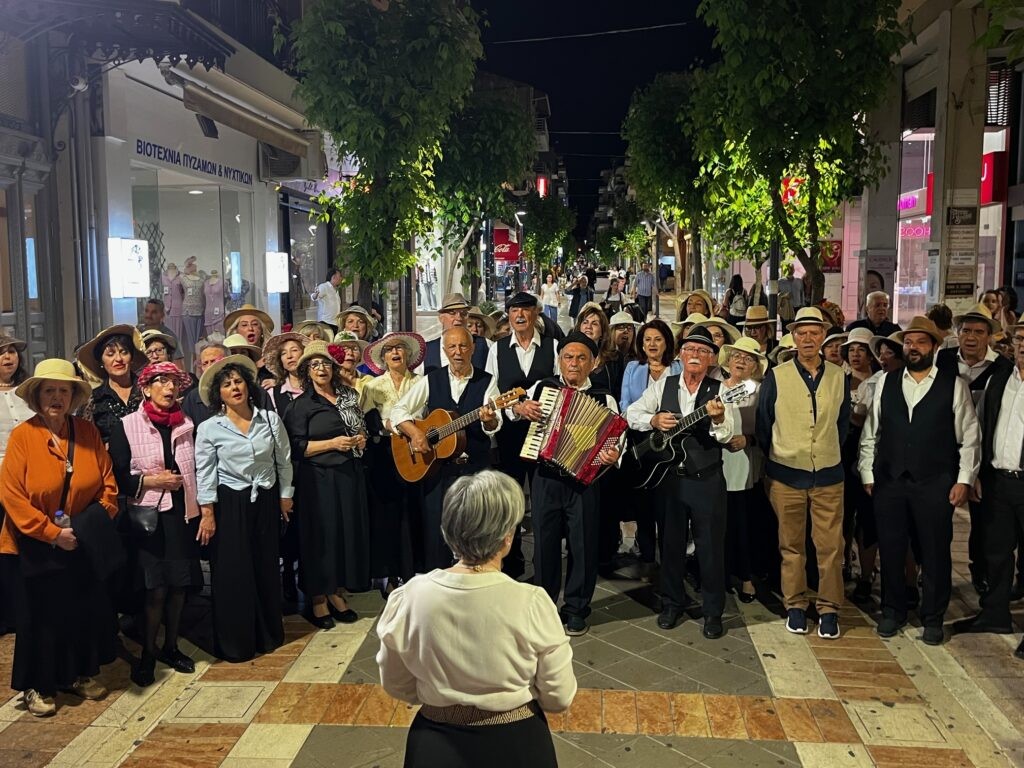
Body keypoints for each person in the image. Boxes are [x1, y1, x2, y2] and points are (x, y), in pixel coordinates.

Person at [376, 471, 575, 768]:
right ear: (507, 538)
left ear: (448, 532)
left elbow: (396, 684)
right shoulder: (531, 601)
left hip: (435, 744)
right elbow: (558, 697)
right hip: (518, 744)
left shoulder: (409, 597)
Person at [1, 359, 119, 717]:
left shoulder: (87, 432)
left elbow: (108, 485)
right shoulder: (24, 436)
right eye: (49, 391)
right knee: (39, 616)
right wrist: (53, 534)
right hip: (32, 542)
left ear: (73, 396)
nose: (56, 397)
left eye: (63, 391)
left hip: (80, 538)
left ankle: (77, 674)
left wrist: (87, 527)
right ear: (37, 397)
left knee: (80, 608)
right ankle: (37, 685)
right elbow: (12, 495)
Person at [858, 316, 980, 646]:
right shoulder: (886, 381)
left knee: (935, 551)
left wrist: (964, 479)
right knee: (892, 548)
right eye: (909, 342)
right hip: (890, 480)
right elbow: (872, 431)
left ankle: (933, 616)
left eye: (921, 342)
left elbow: (969, 436)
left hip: (935, 481)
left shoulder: (953, 385)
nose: (913, 347)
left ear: (935, 347)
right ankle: (892, 610)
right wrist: (868, 472)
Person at [627, 327, 735, 639]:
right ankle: (672, 604)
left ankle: (713, 612)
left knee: (711, 549)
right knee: (671, 546)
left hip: (707, 481)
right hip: (670, 480)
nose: (696, 356)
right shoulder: (665, 385)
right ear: (681, 355)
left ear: (711, 358)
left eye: (703, 352)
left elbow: (727, 435)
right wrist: (653, 420)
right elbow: (631, 412)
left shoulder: (722, 390)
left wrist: (716, 419)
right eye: (690, 350)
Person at [516, 331, 622, 636]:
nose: (573, 363)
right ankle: (545, 608)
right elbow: (516, 412)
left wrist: (613, 454)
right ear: (559, 360)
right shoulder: (544, 387)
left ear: (593, 363)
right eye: (568, 357)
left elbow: (616, 441)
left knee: (584, 545)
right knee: (544, 545)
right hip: (546, 477)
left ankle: (577, 608)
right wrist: (520, 409)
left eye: (581, 358)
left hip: (584, 482)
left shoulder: (604, 397)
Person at [108, 362, 204, 686]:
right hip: (149, 518)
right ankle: (148, 654)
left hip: (181, 515)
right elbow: (119, 473)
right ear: (146, 389)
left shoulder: (187, 423)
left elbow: (196, 470)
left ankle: (171, 646)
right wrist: (151, 480)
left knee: (178, 586)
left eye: (173, 382)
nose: (169, 387)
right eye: (161, 381)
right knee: (155, 589)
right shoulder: (128, 424)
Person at [756, 307, 850, 639]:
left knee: (829, 546)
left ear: (824, 336)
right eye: (801, 332)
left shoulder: (839, 376)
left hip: (827, 474)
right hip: (786, 474)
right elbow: (765, 424)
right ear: (793, 337)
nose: (808, 338)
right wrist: (782, 455)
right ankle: (795, 604)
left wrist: (824, 451)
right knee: (790, 544)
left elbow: (842, 425)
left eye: (814, 332)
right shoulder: (777, 375)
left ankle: (828, 609)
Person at [194, 355, 294, 661]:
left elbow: (284, 460)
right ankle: (236, 642)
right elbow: (205, 472)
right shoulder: (210, 428)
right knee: (233, 572)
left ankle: (267, 634)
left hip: (265, 498)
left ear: (248, 387)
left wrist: (285, 496)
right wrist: (208, 512)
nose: (234, 387)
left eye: (238, 381)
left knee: (265, 566)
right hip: (229, 503)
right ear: (218, 394)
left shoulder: (269, 419)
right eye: (226, 384)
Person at [393, 327, 502, 572]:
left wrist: (489, 420)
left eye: (463, 346)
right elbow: (399, 410)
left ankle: (473, 578)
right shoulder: (432, 379)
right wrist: (416, 432)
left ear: (473, 348)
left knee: (473, 527)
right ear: (444, 350)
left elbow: (496, 425)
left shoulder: (487, 381)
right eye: (452, 347)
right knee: (436, 529)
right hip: (437, 470)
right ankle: (437, 579)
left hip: (473, 469)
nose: (458, 352)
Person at [284, 340, 370, 628]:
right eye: (314, 365)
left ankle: (336, 592)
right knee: (320, 538)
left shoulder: (347, 395)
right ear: (307, 371)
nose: (321, 369)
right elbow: (295, 447)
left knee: (344, 536)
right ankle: (318, 599)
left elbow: (360, 427)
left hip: (350, 475)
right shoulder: (301, 405)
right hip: (317, 480)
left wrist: (360, 438)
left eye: (325, 364)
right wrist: (331, 443)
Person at [955, 321, 1024, 659]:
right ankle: (995, 614)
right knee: (995, 552)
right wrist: (977, 472)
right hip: (999, 479)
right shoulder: (1002, 378)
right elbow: (981, 426)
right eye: (1020, 338)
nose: (1023, 345)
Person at [937, 302, 1011, 594]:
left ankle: (980, 574)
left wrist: (977, 469)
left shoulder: (1003, 369)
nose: (971, 337)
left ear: (989, 336)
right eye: (965, 330)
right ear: (957, 332)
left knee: (985, 521)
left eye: (978, 331)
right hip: (943, 451)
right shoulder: (941, 360)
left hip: (984, 451)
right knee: (937, 518)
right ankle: (932, 574)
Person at [485, 292, 557, 578]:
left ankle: (545, 567)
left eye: (526, 310)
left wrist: (537, 407)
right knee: (512, 503)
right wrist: (517, 408)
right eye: (515, 311)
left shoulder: (553, 346)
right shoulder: (497, 349)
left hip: (544, 433)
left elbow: (559, 386)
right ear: (509, 315)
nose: (520, 316)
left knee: (543, 505)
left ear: (536, 314)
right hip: (510, 436)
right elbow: (492, 394)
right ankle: (511, 564)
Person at [359, 332, 425, 594]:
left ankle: (417, 570)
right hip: (385, 455)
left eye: (400, 348)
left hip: (418, 453)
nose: (395, 353)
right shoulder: (372, 386)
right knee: (388, 515)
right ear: (383, 358)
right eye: (389, 350)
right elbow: (366, 420)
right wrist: (389, 426)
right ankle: (391, 573)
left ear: (408, 355)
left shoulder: (422, 382)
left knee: (416, 511)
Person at [719, 337, 767, 605]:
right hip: (717, 464)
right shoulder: (715, 387)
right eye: (736, 355)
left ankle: (747, 576)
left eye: (747, 358)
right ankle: (722, 573)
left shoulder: (758, 390)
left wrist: (748, 440)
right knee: (720, 523)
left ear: (754, 366)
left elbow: (766, 426)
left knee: (742, 522)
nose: (740, 361)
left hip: (744, 463)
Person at [839, 328, 878, 587]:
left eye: (861, 349)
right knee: (842, 516)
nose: (855, 355)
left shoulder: (880, 381)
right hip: (842, 453)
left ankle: (866, 574)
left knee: (867, 518)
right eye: (851, 349)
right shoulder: (838, 379)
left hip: (870, 455)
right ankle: (844, 564)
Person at [0, 333, 32, 634]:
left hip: (30, 479)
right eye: (2, 352)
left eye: (12, 351)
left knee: (25, 546)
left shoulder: (27, 392)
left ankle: (25, 608)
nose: (9, 356)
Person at [77, 324, 148, 444]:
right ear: (101, 361)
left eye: (124, 352)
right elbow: (84, 440)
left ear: (131, 357)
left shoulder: (147, 389)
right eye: (110, 354)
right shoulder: (93, 400)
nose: (118, 359)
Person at [420, 293, 490, 374]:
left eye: (463, 313)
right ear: (441, 318)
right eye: (452, 313)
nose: (459, 318)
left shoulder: (486, 345)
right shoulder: (425, 350)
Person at [574, 302, 624, 398]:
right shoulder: (568, 356)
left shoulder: (615, 358)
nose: (588, 326)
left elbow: (618, 393)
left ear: (603, 331)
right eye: (585, 322)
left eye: (594, 323)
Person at [182, 343, 228, 429]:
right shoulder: (193, 398)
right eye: (205, 363)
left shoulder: (243, 388)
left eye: (213, 361)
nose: (209, 366)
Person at [138, 298, 185, 364]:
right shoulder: (136, 332)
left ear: (162, 315)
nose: (148, 315)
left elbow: (179, 366)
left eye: (154, 312)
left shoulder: (170, 337)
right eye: (146, 311)